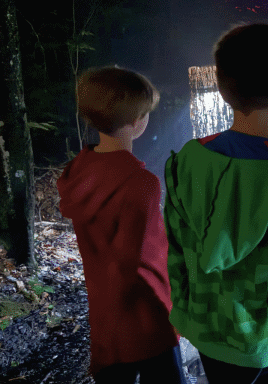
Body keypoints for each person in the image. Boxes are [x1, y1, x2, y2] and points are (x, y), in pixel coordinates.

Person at [164, 23, 268, 383]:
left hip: (209, 335)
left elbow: (177, 253)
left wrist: (184, 314)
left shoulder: (187, 164)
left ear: (224, 91)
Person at [57, 66, 185, 383]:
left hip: (105, 318)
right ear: (137, 121)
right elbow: (144, 259)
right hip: (146, 319)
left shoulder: (78, 172)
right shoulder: (141, 184)